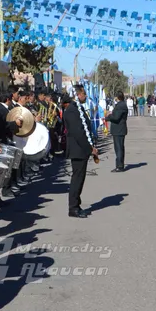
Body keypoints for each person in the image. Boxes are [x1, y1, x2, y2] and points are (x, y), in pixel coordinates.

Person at [63, 84, 97, 219]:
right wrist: (90, 149)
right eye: (83, 94)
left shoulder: (78, 108)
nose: (86, 96)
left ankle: (77, 204)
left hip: (81, 150)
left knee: (80, 178)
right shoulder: (71, 110)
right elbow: (78, 133)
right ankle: (73, 208)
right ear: (77, 95)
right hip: (78, 150)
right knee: (77, 179)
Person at [106, 91, 128, 172]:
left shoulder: (120, 105)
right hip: (119, 129)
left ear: (117, 97)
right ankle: (120, 164)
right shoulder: (121, 105)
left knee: (118, 148)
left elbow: (116, 117)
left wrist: (108, 117)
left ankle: (119, 166)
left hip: (119, 130)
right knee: (120, 148)